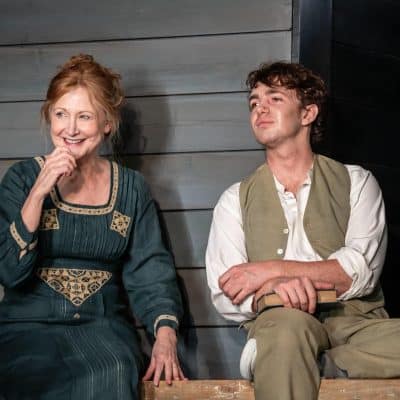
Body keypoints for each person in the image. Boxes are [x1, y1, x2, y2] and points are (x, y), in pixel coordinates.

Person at [205, 61, 400, 400]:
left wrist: (269, 272)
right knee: (286, 334)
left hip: (359, 326)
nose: (260, 108)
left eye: (275, 98)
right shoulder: (234, 200)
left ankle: (322, 363)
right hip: (283, 323)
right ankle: (298, 357)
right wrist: (273, 289)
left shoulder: (356, 182)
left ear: (308, 113)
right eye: (254, 102)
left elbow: (358, 272)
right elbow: (227, 290)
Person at [0, 54, 186, 399]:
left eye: (84, 116)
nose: (70, 129)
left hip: (102, 329)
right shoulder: (22, 179)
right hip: (26, 328)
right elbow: (10, 272)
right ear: (49, 116)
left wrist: (165, 334)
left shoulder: (131, 189)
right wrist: (38, 192)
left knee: (115, 370)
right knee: (29, 373)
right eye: (61, 114)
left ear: (107, 124)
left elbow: (151, 272)